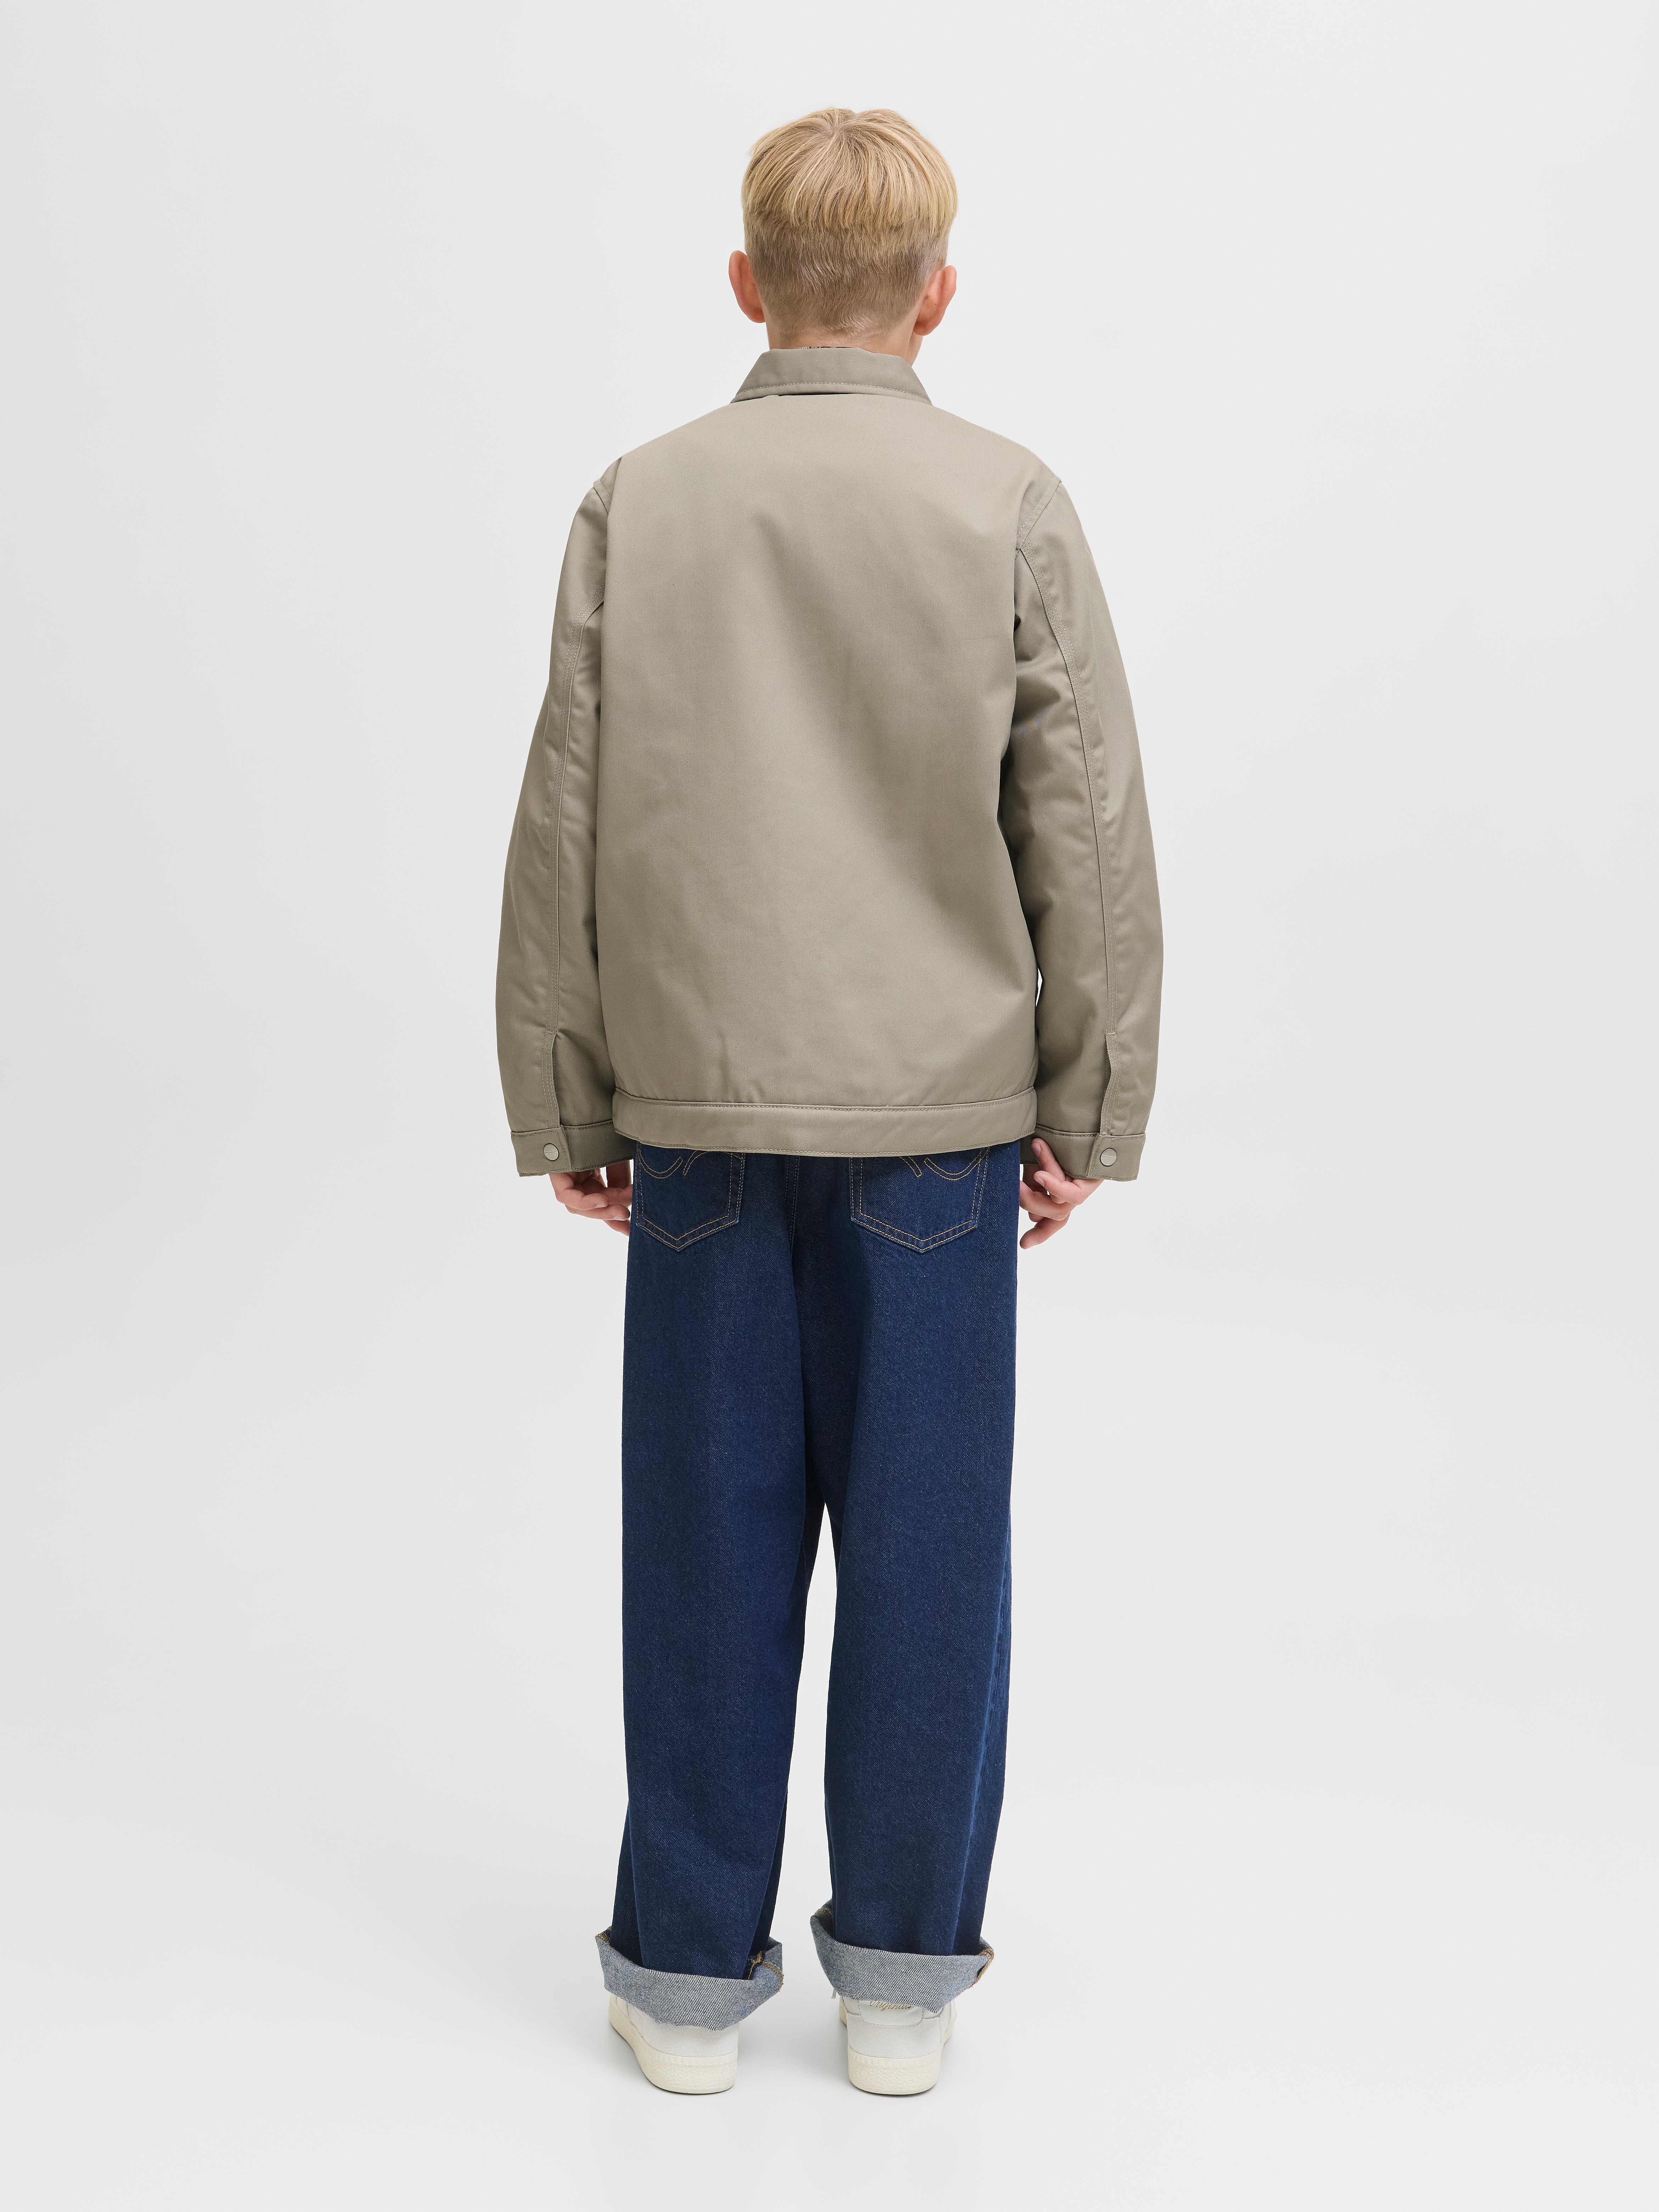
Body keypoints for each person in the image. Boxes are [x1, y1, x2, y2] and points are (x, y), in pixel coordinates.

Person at [495, 106, 1161, 2097]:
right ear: (938, 297)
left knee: (703, 1546)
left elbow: (565, 814)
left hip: (699, 1113)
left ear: (745, 284)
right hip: (941, 1125)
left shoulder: (642, 499)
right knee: (931, 1552)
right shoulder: (1006, 500)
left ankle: (687, 1981)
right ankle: (899, 1986)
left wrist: (570, 1090)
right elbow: (1085, 825)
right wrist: (1089, 1095)